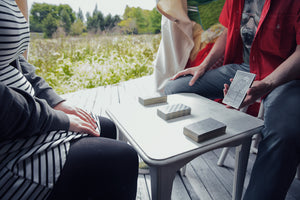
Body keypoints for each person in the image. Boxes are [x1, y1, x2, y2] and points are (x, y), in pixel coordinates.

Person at [0, 0, 138, 199]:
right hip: (9, 136)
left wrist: (56, 102)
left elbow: (15, 58)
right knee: (121, 158)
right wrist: (57, 119)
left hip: (29, 114)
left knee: (105, 127)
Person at [164, 0, 300, 199]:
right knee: (176, 87)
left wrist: (268, 84)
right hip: (247, 69)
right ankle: (173, 159)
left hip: (287, 79)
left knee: (285, 134)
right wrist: (203, 66)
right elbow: (228, 32)